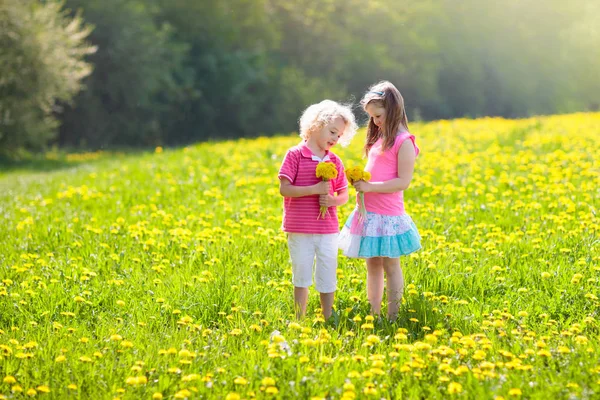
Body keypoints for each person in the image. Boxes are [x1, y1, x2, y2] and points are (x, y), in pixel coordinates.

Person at [339, 81, 421, 320]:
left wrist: (370, 186)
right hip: (368, 212)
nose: (375, 121)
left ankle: (392, 315)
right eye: (372, 117)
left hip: (388, 214)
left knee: (391, 265)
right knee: (372, 264)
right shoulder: (380, 138)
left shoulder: (404, 141)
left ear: (393, 109)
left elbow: (402, 182)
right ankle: (374, 312)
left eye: (378, 115)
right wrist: (359, 183)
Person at [278, 100, 358, 320]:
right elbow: (285, 189)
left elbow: (344, 195)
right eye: (332, 131)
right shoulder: (294, 155)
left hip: (327, 229)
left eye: (339, 136)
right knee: (301, 274)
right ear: (315, 125)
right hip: (300, 227)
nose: (335, 139)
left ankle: (328, 315)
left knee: (327, 272)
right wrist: (314, 189)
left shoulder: (335, 161)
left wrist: (332, 201)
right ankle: (299, 318)